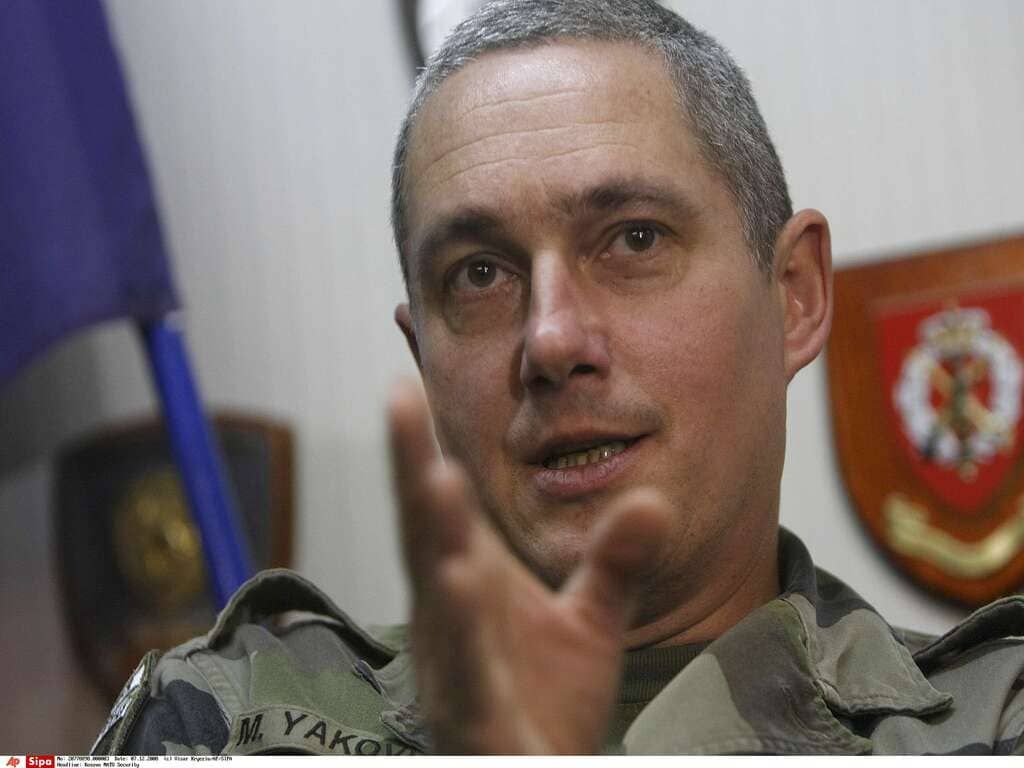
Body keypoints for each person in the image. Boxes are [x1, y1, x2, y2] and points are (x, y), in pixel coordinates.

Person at [93, 0, 1024, 755]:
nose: (549, 340)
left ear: (795, 296)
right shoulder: (223, 715)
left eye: (634, 239)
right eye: (479, 274)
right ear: (425, 361)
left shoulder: (994, 722)